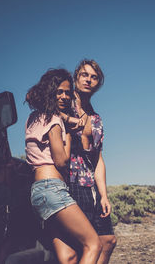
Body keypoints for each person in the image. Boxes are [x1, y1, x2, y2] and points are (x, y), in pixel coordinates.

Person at [25, 68, 102, 264]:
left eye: (68, 92)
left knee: (69, 256)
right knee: (94, 244)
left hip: (38, 192)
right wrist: (67, 133)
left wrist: (67, 120)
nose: (65, 96)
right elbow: (61, 160)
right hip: (53, 188)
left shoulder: (33, 118)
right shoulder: (54, 120)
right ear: (50, 91)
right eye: (59, 91)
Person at [59, 59, 117, 264]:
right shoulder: (63, 103)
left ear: (98, 83)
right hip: (69, 184)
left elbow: (98, 159)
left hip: (90, 185)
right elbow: (38, 101)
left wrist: (104, 195)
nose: (89, 80)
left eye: (94, 77)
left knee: (108, 240)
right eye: (85, 75)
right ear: (76, 77)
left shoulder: (96, 118)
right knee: (77, 250)